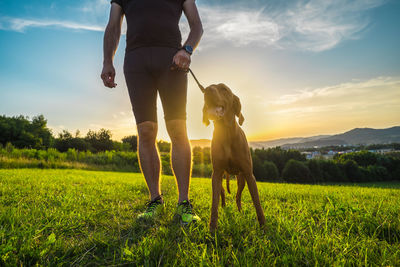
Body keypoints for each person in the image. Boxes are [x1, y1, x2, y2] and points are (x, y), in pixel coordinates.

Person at [101, 0, 203, 225]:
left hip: (173, 62)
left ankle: (183, 203)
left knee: (178, 129)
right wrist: (107, 60)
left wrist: (186, 50)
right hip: (136, 61)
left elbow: (196, 25)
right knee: (146, 131)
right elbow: (113, 27)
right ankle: (155, 200)